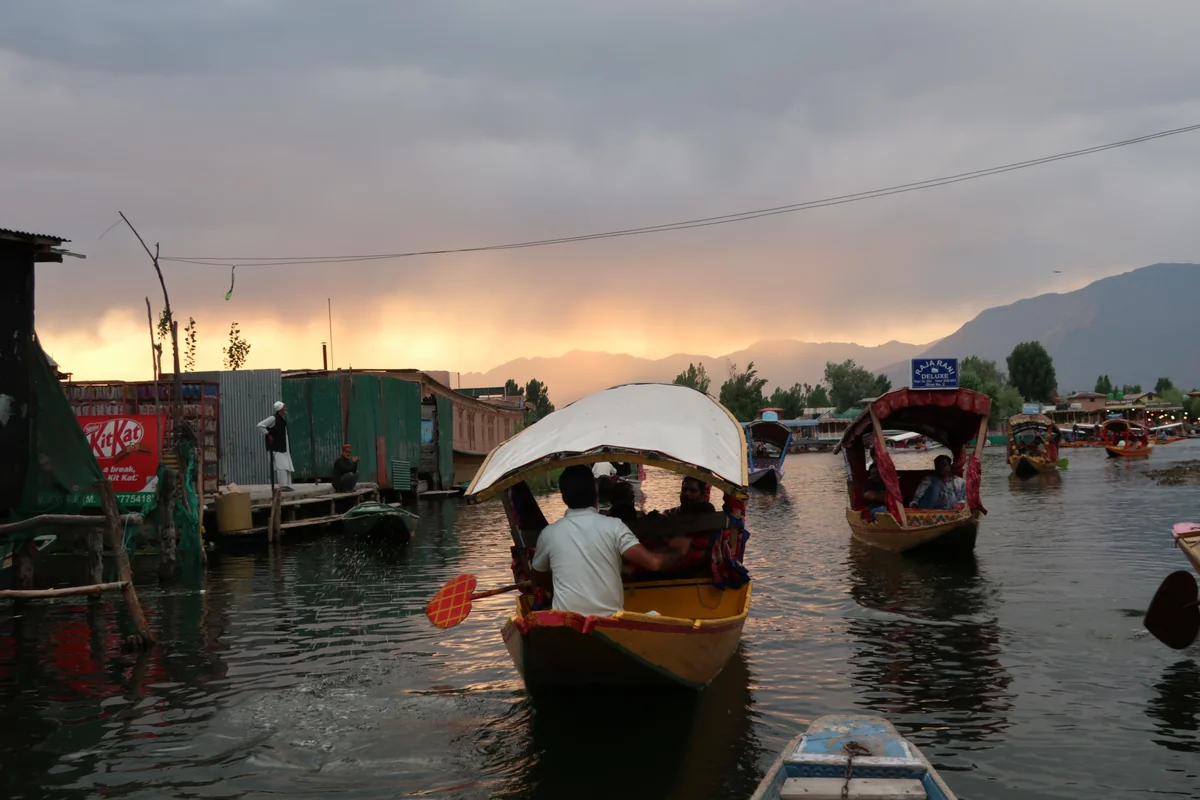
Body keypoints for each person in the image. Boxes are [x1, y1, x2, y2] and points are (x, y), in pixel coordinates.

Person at [529, 465, 690, 617]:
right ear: (595, 493)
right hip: (610, 622)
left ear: (563, 497)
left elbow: (538, 578)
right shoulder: (614, 527)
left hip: (567, 623)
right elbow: (654, 563)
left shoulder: (549, 534)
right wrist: (679, 551)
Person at [257, 401, 294, 491]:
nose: (285, 409)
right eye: (284, 407)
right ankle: (282, 486)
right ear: (280, 409)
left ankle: (285, 485)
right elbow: (260, 425)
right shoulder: (273, 418)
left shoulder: (281, 419)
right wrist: (268, 434)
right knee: (281, 466)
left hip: (282, 447)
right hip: (276, 447)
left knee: (285, 466)